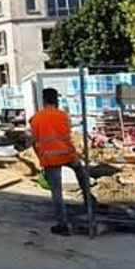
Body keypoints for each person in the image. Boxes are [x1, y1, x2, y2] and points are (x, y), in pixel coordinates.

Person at [29, 87, 80, 236]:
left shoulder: (36, 118)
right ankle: (91, 203)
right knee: (82, 175)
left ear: (43, 100)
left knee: (57, 192)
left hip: (50, 159)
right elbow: (68, 135)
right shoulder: (64, 116)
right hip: (68, 155)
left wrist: (41, 159)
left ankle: (62, 224)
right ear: (56, 100)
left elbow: (34, 142)